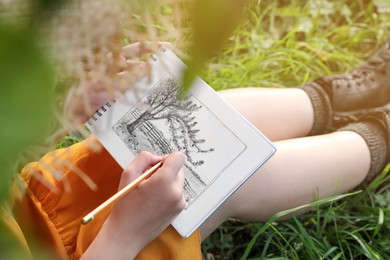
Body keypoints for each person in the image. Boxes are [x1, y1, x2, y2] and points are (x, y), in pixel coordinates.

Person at [5, 39, 390, 259]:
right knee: (223, 177)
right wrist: (125, 233)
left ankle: (335, 99)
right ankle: (378, 139)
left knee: (213, 119)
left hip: (31, 212)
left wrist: (66, 107)